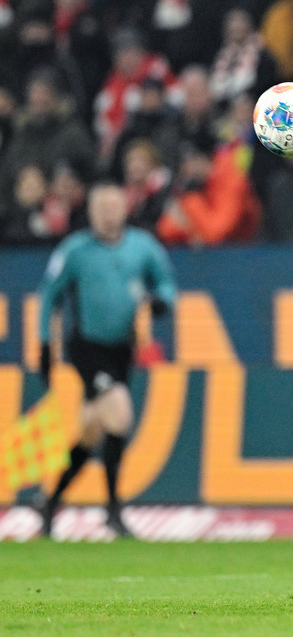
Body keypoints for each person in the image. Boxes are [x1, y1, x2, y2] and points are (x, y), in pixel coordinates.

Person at [36, 183, 177, 538]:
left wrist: (161, 301)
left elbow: (166, 284)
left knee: (91, 433)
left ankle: (50, 502)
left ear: (125, 209)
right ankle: (113, 509)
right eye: (100, 207)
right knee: (121, 414)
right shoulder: (75, 251)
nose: (107, 213)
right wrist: (43, 346)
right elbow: (48, 296)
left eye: (113, 206)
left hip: (121, 350)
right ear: (91, 211)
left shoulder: (142, 247)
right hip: (86, 348)